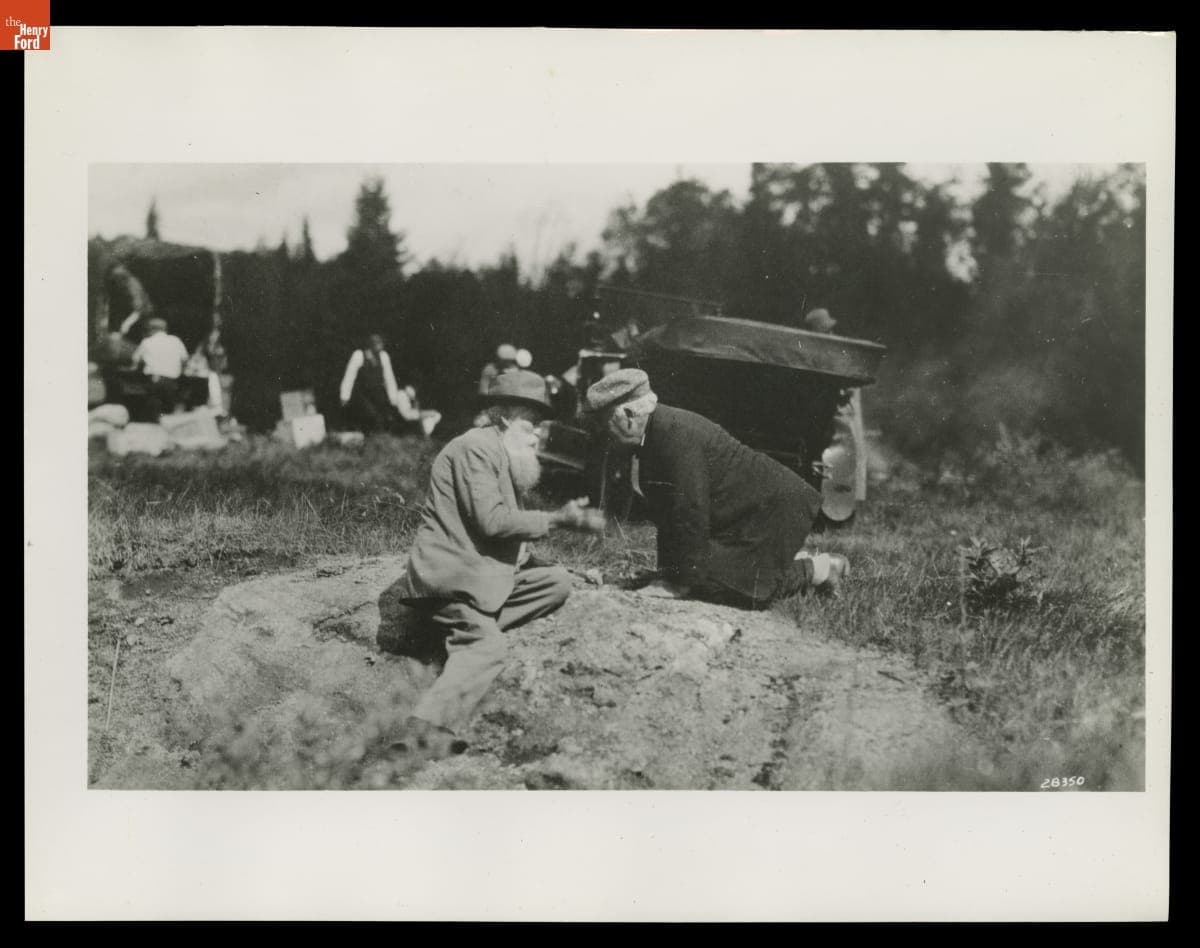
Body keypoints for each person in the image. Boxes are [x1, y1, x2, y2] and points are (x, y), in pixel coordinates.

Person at [389, 369, 606, 756]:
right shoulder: (475, 447)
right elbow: (492, 523)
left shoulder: (500, 455)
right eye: (531, 423)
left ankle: (457, 632)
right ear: (504, 417)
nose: (537, 433)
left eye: (541, 425)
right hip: (451, 578)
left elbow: (513, 544)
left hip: (479, 575)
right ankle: (424, 730)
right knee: (488, 647)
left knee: (556, 582)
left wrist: (545, 560)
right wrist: (558, 518)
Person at [584, 368, 849, 608]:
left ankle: (822, 569)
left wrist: (677, 584)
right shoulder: (658, 432)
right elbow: (670, 517)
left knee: (734, 587)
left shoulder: (673, 437)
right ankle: (780, 561)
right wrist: (666, 573)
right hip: (746, 516)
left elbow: (689, 512)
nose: (601, 434)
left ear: (629, 416)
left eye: (603, 424)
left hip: (773, 511)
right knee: (704, 573)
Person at [803, 308, 868, 520]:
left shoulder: (834, 353)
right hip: (824, 419)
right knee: (827, 463)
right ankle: (827, 511)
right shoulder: (812, 355)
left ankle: (841, 508)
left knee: (846, 460)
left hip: (839, 415)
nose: (831, 334)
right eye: (826, 330)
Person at [339, 333, 404, 435]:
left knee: (383, 415)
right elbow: (349, 376)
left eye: (381, 344)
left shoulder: (383, 356)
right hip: (362, 394)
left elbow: (389, 377)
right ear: (370, 345)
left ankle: (379, 439)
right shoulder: (359, 355)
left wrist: (393, 398)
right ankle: (368, 436)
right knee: (370, 415)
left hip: (377, 392)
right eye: (377, 344)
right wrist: (345, 396)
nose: (379, 347)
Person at [131, 317, 189, 419]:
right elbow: (185, 359)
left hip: (154, 380)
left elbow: (135, 359)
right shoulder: (176, 341)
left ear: (151, 329)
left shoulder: (147, 342)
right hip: (172, 381)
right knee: (169, 408)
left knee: (151, 403)